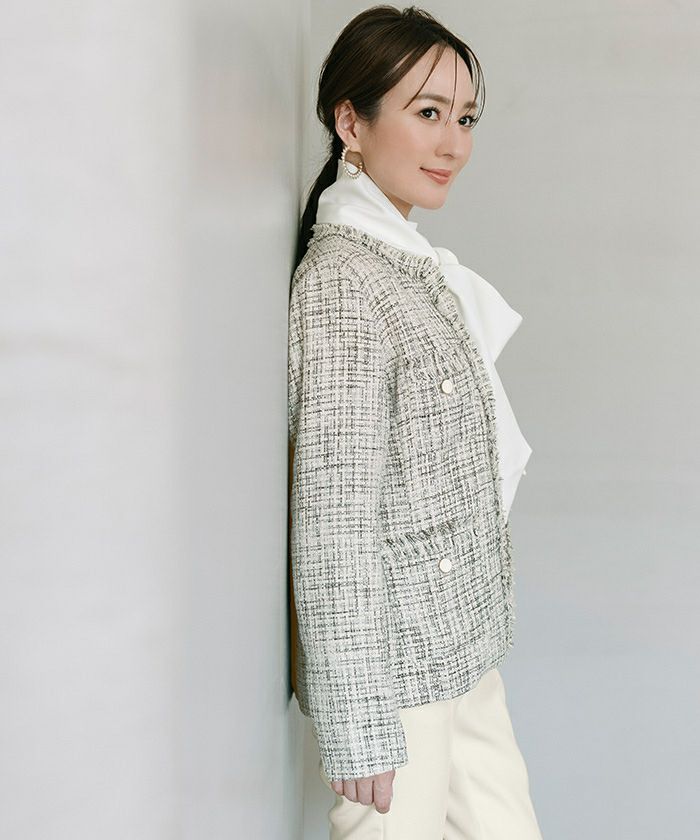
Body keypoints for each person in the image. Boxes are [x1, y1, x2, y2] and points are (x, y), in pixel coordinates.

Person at [288, 6, 543, 838]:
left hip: (463, 655)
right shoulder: (343, 284)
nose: (453, 144)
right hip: (396, 688)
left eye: (465, 118)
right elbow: (334, 515)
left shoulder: (403, 262)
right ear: (350, 122)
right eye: (428, 112)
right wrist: (360, 721)